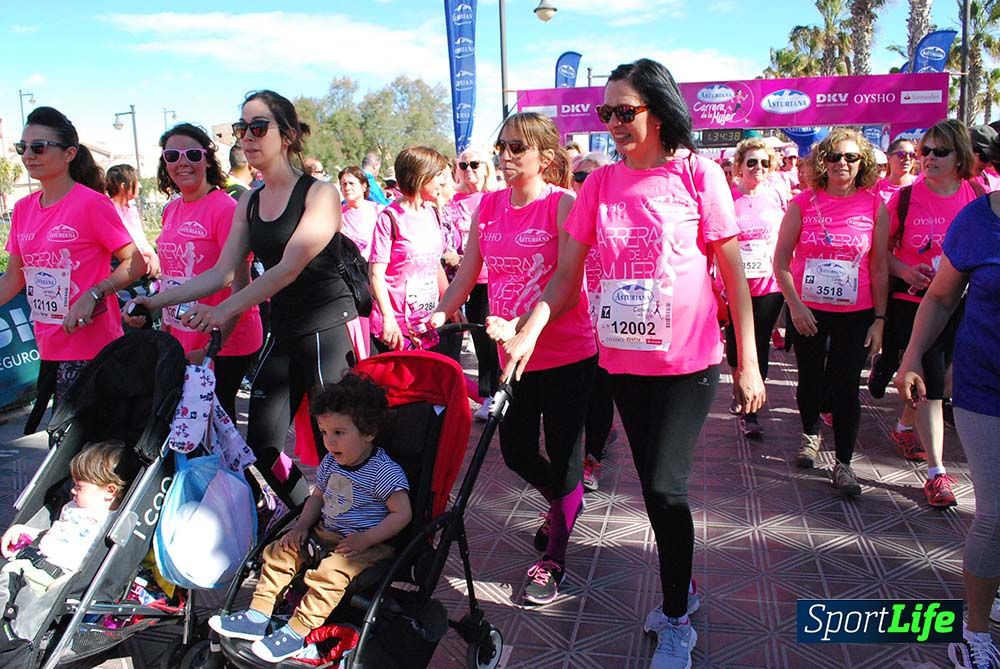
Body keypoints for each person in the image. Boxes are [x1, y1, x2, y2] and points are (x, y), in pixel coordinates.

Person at [495, 59, 765, 666]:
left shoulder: (699, 176)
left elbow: (733, 277)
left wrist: (749, 364)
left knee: (667, 491)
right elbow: (566, 277)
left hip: (688, 365)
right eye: (606, 113)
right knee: (651, 487)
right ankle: (682, 584)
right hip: (622, 364)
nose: (614, 123)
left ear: (659, 110)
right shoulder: (598, 186)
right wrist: (530, 328)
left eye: (626, 111)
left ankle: (675, 620)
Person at [127, 90, 357, 509]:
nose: (247, 137)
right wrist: (154, 303)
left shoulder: (319, 193)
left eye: (258, 127)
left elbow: (289, 267)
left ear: (286, 135)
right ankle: (312, 516)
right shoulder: (249, 200)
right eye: (241, 129)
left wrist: (221, 310)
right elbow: (221, 272)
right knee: (263, 451)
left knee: (340, 447)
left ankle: (352, 530)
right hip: (284, 332)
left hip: (326, 329)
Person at [430, 112, 596, 605]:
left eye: (516, 147)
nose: (504, 155)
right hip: (511, 356)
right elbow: (468, 273)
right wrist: (441, 313)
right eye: (501, 145)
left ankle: (554, 557)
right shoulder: (488, 207)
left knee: (566, 456)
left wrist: (527, 325)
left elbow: (566, 285)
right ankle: (565, 503)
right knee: (517, 452)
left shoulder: (564, 205)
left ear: (545, 157)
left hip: (565, 352)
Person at [209, 375, 409, 663]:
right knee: (280, 551)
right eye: (324, 432)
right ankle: (258, 614)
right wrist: (301, 526)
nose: (329, 441)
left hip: (367, 544)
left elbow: (402, 513)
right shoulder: (331, 462)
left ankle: (297, 631)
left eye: (339, 433)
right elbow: (317, 497)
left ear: (368, 432)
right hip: (326, 533)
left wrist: (367, 538)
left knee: (330, 574)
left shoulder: (383, 472)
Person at [894, 177, 1000, 669]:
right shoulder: (977, 221)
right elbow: (939, 298)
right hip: (987, 389)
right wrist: (913, 354)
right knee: (996, 514)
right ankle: (975, 630)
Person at [0, 107, 144, 417]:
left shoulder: (91, 204)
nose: (28, 155)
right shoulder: (23, 209)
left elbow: (136, 263)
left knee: (91, 458)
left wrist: (94, 293)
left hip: (94, 351)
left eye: (38, 147)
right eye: (22, 147)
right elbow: (13, 279)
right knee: (65, 453)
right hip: (49, 349)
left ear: (69, 154)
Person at [773, 128, 889, 497]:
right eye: (836, 156)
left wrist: (881, 321)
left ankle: (844, 464)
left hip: (856, 312)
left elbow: (879, 268)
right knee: (810, 378)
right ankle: (810, 434)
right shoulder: (803, 203)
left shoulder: (874, 205)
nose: (842, 163)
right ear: (823, 161)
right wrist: (795, 304)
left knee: (845, 385)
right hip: (808, 309)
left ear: (862, 163)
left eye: (851, 157)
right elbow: (780, 262)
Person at [877, 120, 985, 508]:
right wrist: (905, 270)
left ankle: (905, 425)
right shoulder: (903, 199)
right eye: (925, 151)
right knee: (931, 384)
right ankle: (937, 473)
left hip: (967, 304)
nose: (929, 159)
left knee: (943, 382)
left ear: (961, 157)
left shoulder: (978, 196)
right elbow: (879, 256)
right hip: (916, 306)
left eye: (940, 152)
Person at [123, 123, 263, 423]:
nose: (182, 162)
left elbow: (240, 282)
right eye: (172, 155)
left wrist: (216, 346)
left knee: (216, 430)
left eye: (192, 154)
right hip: (183, 334)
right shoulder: (171, 210)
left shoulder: (226, 209)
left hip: (226, 340)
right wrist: (163, 324)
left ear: (208, 159)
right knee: (190, 428)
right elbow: (173, 274)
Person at [0, 441, 129, 600]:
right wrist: (23, 530)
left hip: (60, 576)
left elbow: (92, 561)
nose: (72, 490)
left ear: (109, 491)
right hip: (35, 562)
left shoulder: (108, 521)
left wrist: (69, 582)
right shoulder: (73, 506)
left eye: (79, 486)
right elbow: (58, 533)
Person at [368, 147, 454, 358]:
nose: (441, 183)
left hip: (427, 322)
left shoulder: (432, 212)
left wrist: (449, 303)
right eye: (437, 176)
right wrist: (388, 318)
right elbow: (375, 274)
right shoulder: (389, 217)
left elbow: (434, 265)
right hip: (396, 327)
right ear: (420, 177)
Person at [727, 138, 788, 440]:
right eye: (752, 162)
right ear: (739, 166)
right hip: (735, 287)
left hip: (769, 285)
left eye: (764, 163)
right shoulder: (727, 199)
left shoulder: (777, 196)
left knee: (759, 344)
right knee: (736, 348)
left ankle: (750, 410)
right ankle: (739, 382)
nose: (758, 168)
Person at [440, 147, 498, 415]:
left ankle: (500, 393)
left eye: (475, 164)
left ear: (486, 167)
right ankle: (487, 395)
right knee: (477, 336)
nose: (469, 170)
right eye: (463, 165)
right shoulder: (451, 203)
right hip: (461, 282)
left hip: (492, 279)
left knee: (492, 337)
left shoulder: (496, 198)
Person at [571, 151, 616, 492]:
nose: (587, 184)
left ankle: (593, 456)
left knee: (600, 392)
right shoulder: (564, 213)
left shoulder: (621, 214)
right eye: (580, 177)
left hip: (613, 320)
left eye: (595, 177)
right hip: (572, 319)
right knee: (576, 394)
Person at [105, 164, 159, 278]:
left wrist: (153, 256)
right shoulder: (108, 211)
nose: (139, 186)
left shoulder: (132, 209)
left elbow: (141, 239)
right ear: (123, 186)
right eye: (135, 181)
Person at [338, 166, 380, 261]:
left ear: (364, 186)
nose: (347, 188)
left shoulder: (378, 210)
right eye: (344, 184)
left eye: (351, 183)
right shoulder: (337, 215)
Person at [874, 138, 918, 204]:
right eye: (902, 154)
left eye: (912, 155)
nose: (908, 158)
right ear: (889, 158)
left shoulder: (920, 184)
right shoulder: (876, 188)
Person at [969, 125, 1000, 192]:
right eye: (985, 157)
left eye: (993, 158)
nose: (989, 165)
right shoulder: (943, 182)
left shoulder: (984, 182)